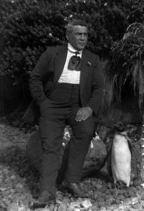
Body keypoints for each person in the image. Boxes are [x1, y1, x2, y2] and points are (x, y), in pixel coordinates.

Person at [29, 19, 105, 206]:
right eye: (78, 34)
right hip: (52, 105)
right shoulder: (52, 53)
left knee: (86, 131)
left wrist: (89, 108)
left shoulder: (92, 59)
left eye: (85, 34)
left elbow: (99, 88)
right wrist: (43, 103)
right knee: (51, 144)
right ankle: (47, 191)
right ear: (68, 36)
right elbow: (35, 78)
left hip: (77, 107)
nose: (83, 38)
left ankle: (71, 180)